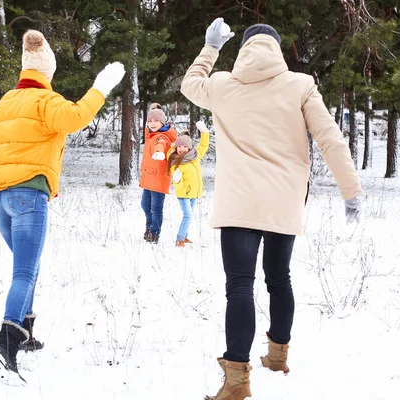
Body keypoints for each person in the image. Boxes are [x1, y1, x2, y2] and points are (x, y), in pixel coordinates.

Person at [180, 18, 364, 399]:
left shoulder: (222, 85)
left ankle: (235, 382)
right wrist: (351, 192)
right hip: (284, 200)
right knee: (279, 278)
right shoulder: (300, 85)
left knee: (239, 286)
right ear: (277, 50)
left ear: (243, 49)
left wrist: (210, 47)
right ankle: (278, 357)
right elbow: (329, 137)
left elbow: (189, 84)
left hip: (238, 203)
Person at [0, 29, 125, 384]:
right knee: (24, 272)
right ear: (47, 71)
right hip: (28, 195)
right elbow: (77, 117)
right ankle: (7, 341)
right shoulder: (44, 100)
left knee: (27, 266)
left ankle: (26, 331)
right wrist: (101, 87)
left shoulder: (6, 102)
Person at [167, 121, 210, 247]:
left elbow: (203, 146)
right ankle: (179, 239)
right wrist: (178, 180)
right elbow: (177, 185)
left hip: (193, 193)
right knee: (188, 216)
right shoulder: (175, 162)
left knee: (189, 215)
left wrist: (204, 132)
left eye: (184, 147)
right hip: (184, 194)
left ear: (190, 148)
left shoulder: (195, 156)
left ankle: (184, 236)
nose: (181, 149)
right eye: (179, 147)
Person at [139, 103, 178, 244]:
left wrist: (159, 152)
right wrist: (152, 111)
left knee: (155, 207)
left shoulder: (162, 137)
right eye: (150, 121)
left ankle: (154, 233)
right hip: (149, 176)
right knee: (145, 204)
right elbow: (147, 132)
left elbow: (160, 144)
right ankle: (149, 227)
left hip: (159, 177)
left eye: (156, 120)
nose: (152, 123)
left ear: (163, 122)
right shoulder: (151, 135)